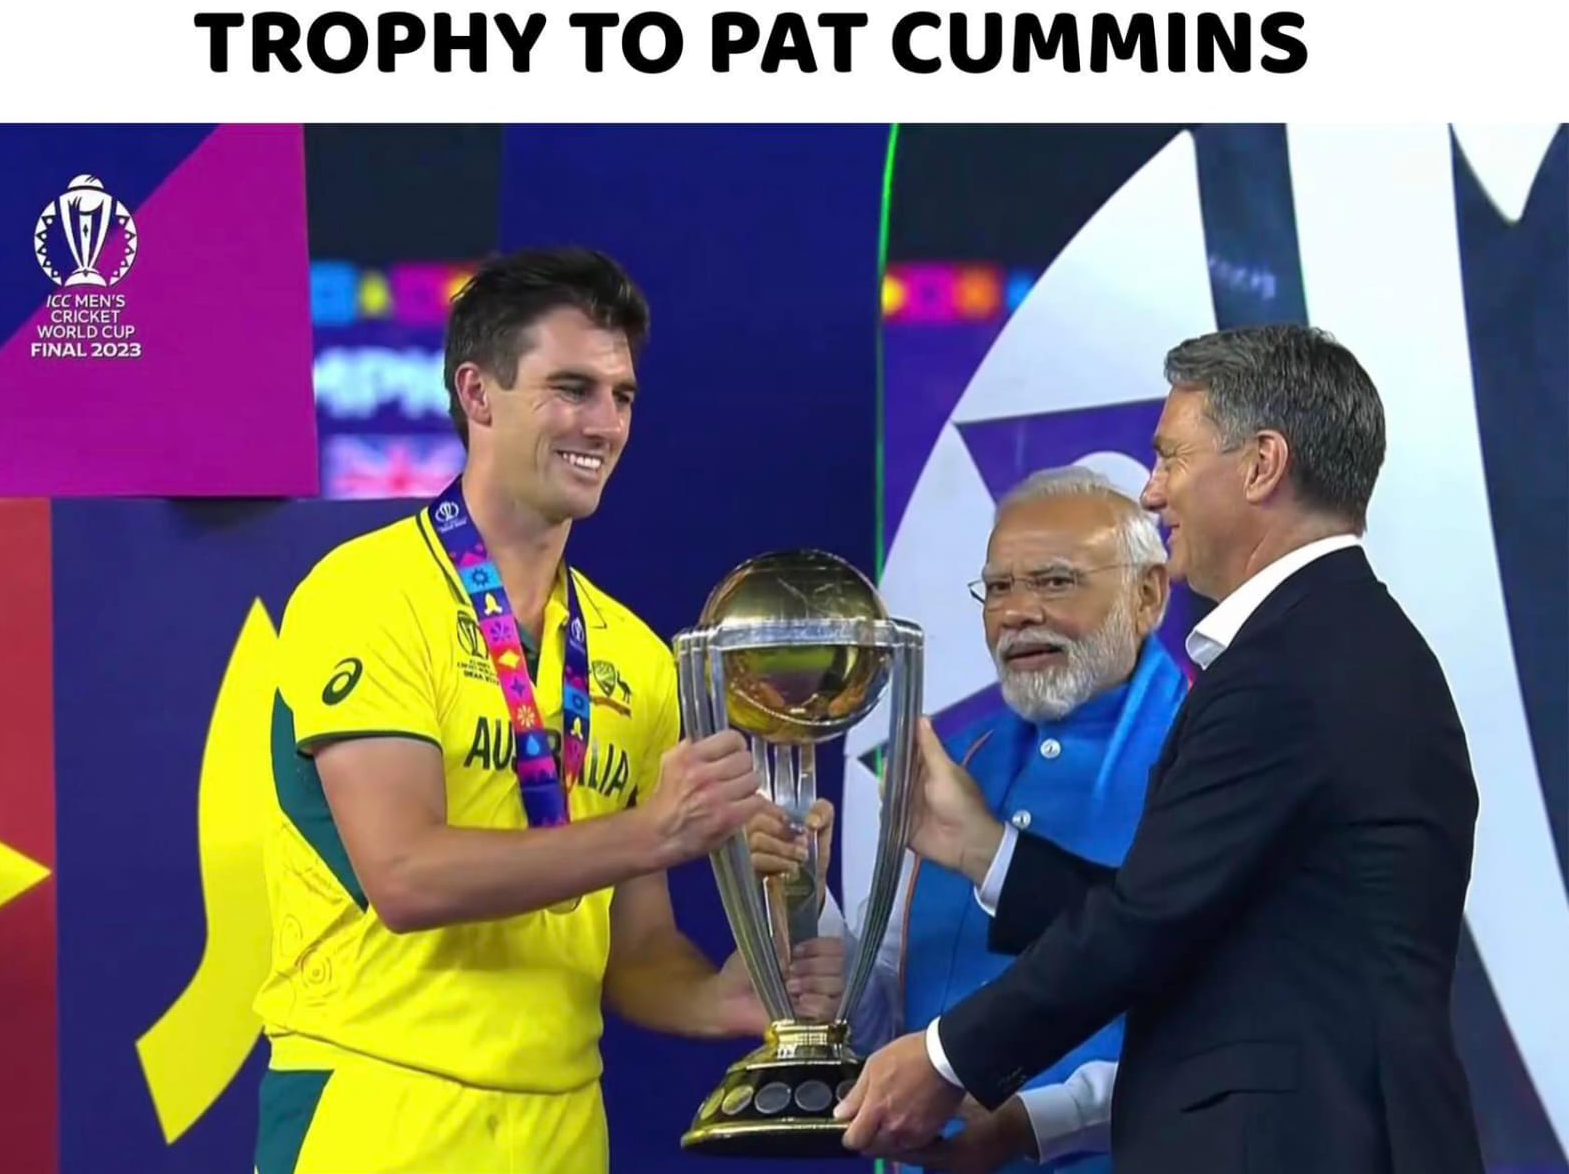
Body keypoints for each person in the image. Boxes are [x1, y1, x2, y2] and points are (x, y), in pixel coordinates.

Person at [835, 324, 1484, 1174]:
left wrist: (948, 1057)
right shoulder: (1334, 640)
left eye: (1171, 458)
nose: (1151, 492)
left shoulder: (1293, 663)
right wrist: (982, 853)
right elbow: (1199, 925)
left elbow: (1149, 921)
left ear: (1260, 465)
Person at [252, 248, 844, 1174]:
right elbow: (406, 875)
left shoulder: (636, 658)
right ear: (478, 394)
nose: (604, 423)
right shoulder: (365, 593)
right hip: (376, 1105)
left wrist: (733, 996)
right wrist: (655, 831)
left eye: (623, 396)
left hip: (564, 1126)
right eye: (572, 388)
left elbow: (634, 950)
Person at [753, 466, 1186, 1172]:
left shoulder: (1204, 748)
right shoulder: (958, 754)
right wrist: (806, 897)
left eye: (1054, 581)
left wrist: (1033, 1123)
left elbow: (1236, 1010)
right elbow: (877, 1015)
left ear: (1148, 595)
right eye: (1000, 587)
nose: (1017, 612)